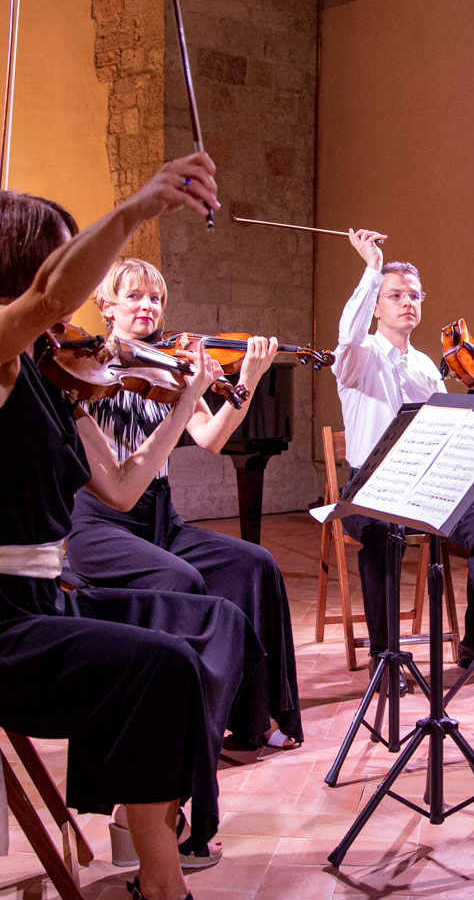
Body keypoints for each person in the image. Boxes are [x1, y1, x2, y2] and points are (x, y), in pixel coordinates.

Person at [0, 152, 242, 900]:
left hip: (52, 597)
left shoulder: (45, 377)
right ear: (36, 268)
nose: (74, 292)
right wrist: (140, 205)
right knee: (160, 666)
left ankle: (147, 810)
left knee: (211, 620)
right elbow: (46, 299)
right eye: (68, 259)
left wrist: (188, 400)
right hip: (1, 623)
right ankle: (160, 893)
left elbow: (120, 484)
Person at [63, 257, 303, 754]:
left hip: (159, 519)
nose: (148, 306)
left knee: (254, 564)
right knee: (180, 580)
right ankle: (187, 731)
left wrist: (250, 379)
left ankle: (253, 721)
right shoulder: (84, 367)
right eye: (134, 296)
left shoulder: (170, 368)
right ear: (107, 307)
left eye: (155, 298)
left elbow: (212, 438)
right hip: (100, 526)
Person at [334, 228, 474, 678]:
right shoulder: (357, 357)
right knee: (380, 532)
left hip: (423, 484)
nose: (407, 302)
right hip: (369, 485)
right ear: (376, 305)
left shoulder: (428, 368)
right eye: (395, 295)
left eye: (414, 295)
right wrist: (372, 270)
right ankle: (385, 658)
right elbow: (347, 334)